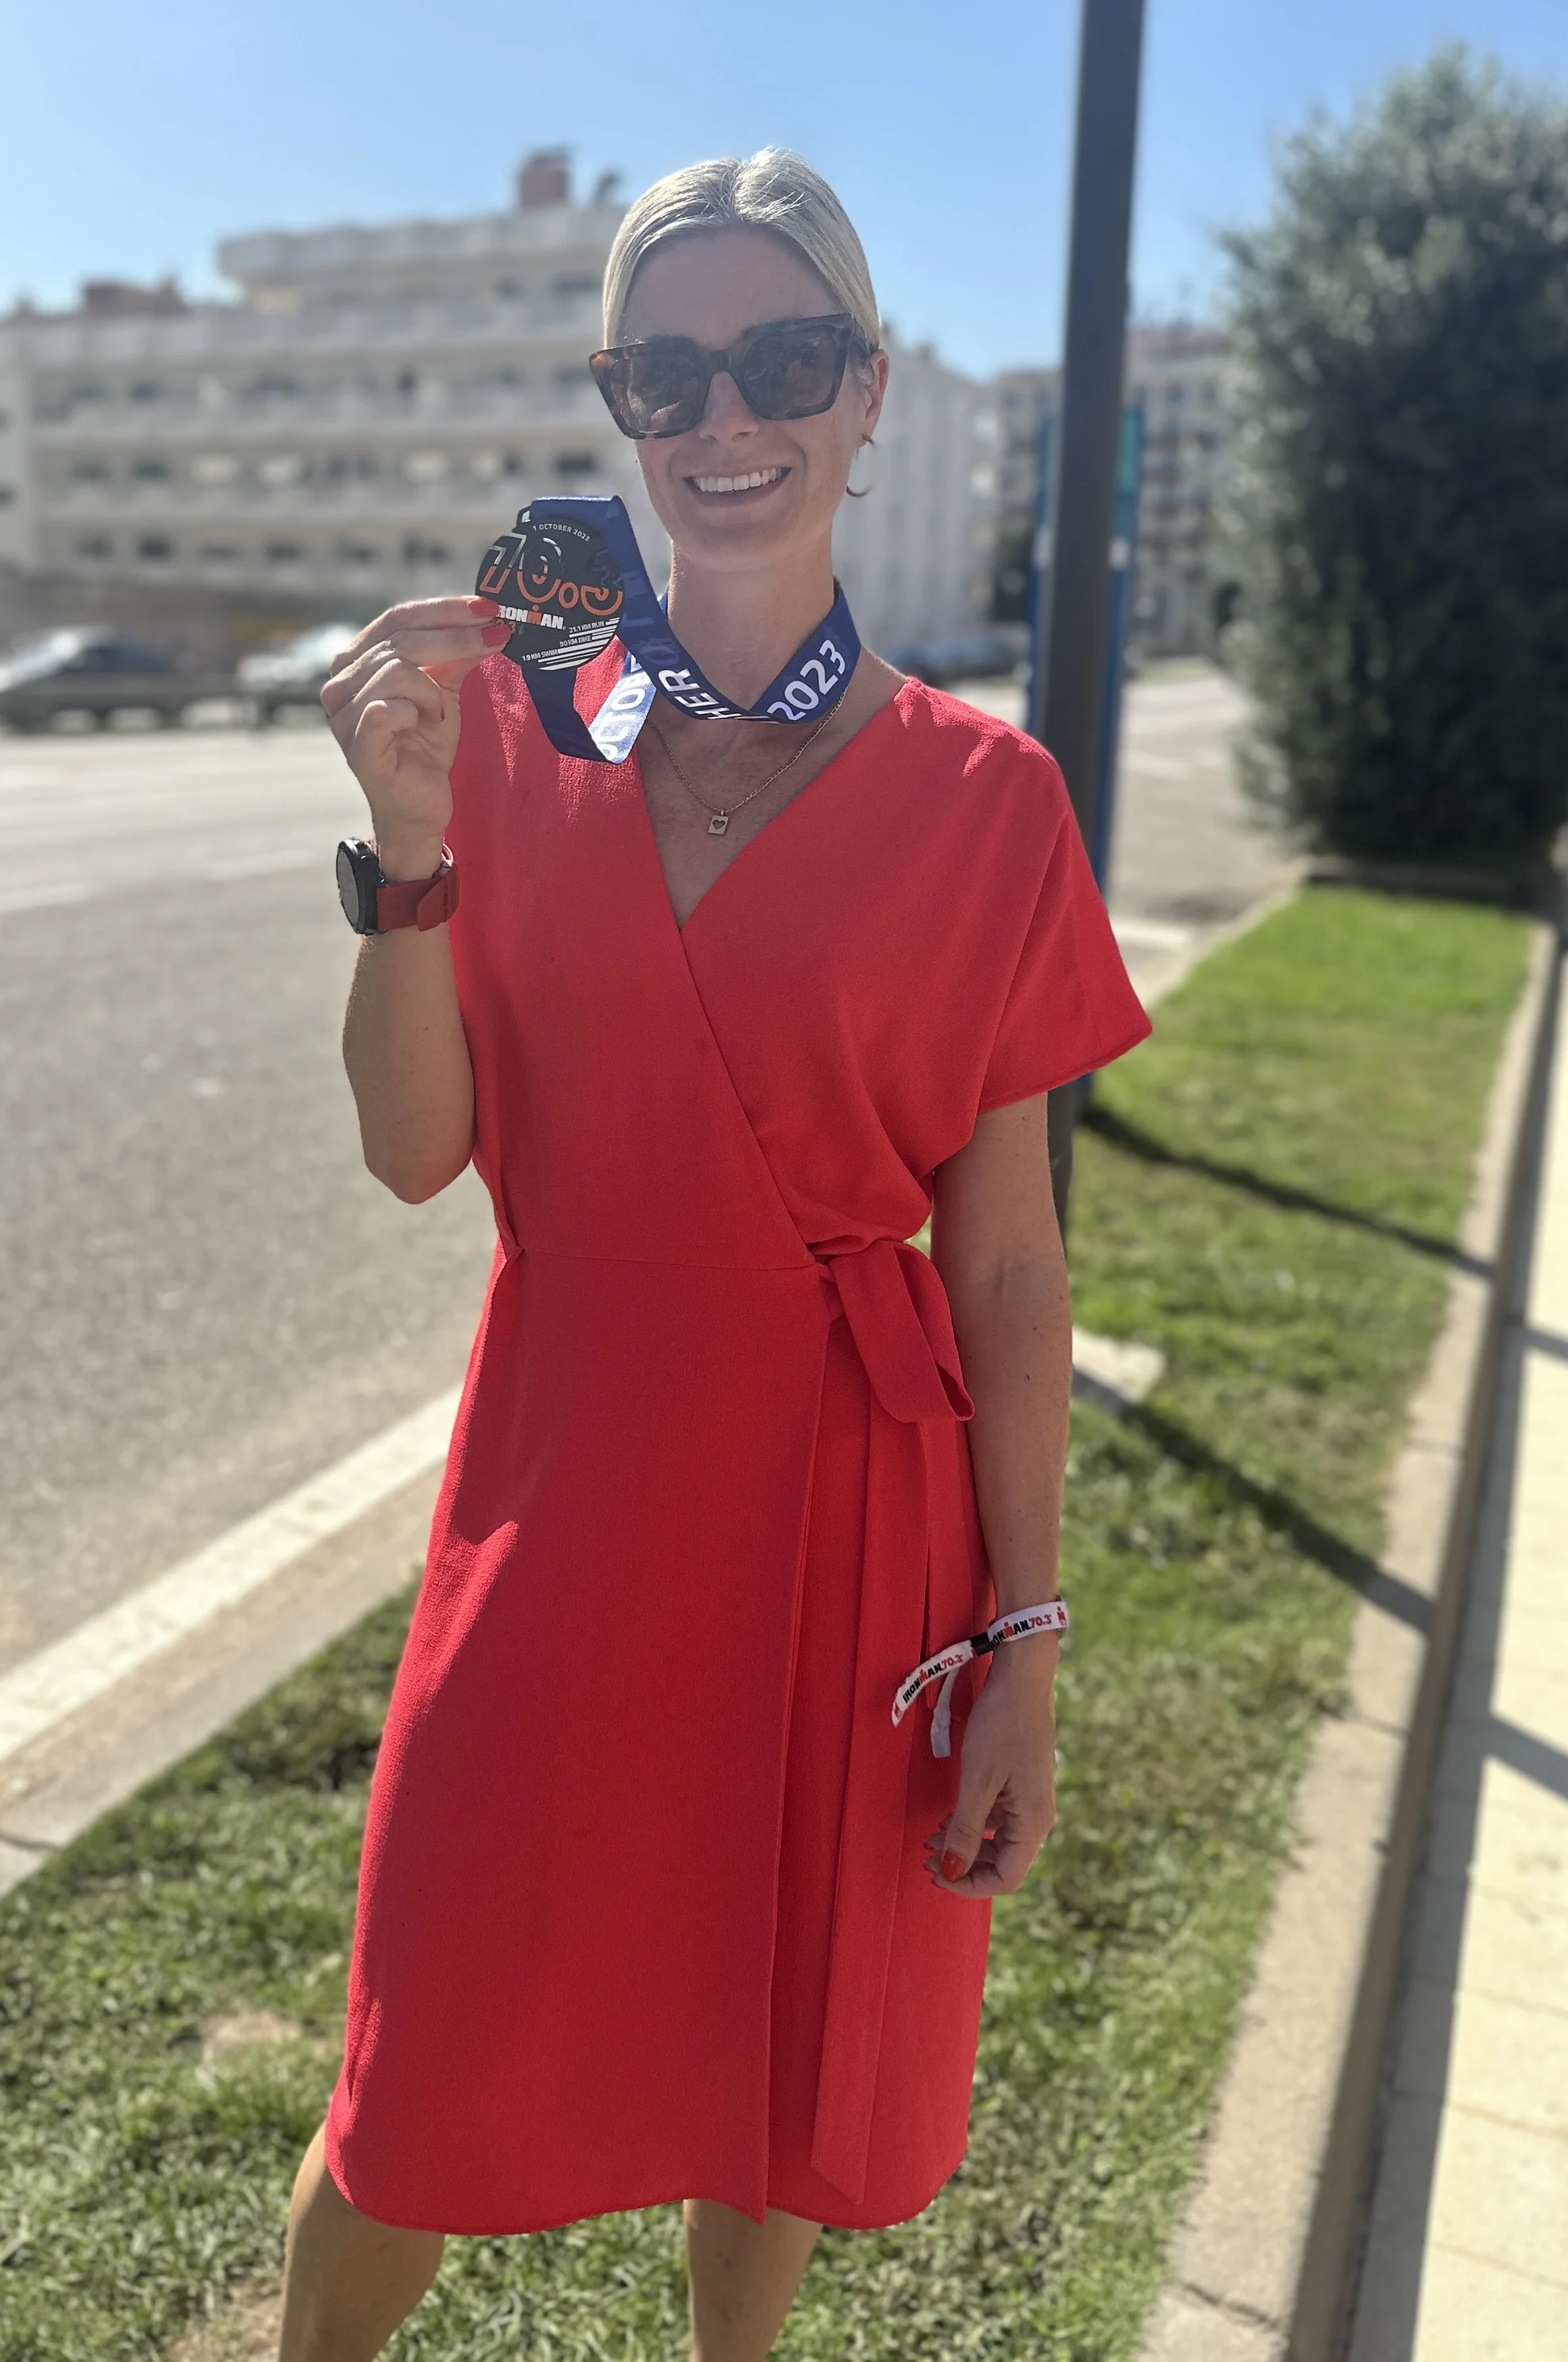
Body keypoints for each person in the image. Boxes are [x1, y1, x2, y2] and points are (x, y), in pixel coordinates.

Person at [283, 150, 1150, 2362]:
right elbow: (414, 1153)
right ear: (621, 408)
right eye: (663, 369)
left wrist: (1025, 1645)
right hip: (558, 1502)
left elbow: (1013, 1274)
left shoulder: (985, 796)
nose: (722, 413)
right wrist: (404, 860)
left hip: (856, 1524)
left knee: (770, 2071)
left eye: (780, 358)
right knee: (416, 2077)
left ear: (862, 397)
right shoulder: (517, 713)